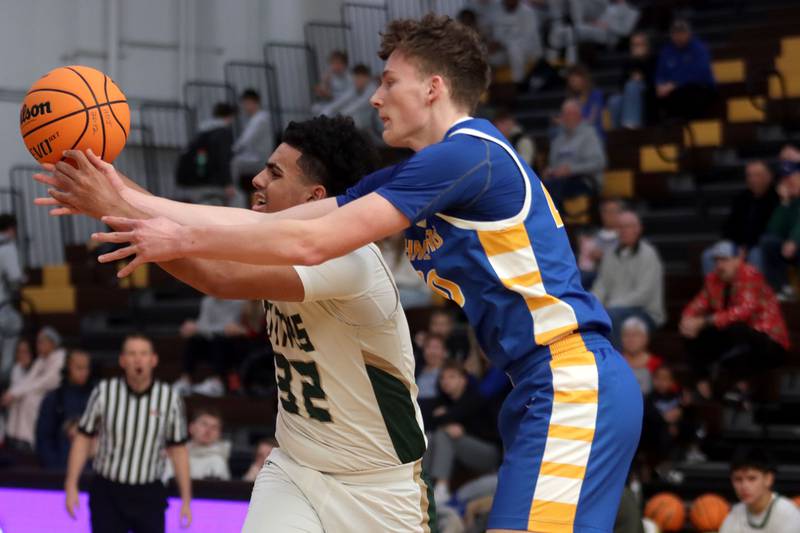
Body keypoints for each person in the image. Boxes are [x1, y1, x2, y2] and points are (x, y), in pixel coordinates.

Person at [40, 14, 642, 533]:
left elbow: (309, 237)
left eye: (388, 82)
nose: (376, 98)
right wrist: (118, 195)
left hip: (570, 378)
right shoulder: (419, 174)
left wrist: (173, 233)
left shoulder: (469, 153)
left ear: (433, 88)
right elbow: (269, 226)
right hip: (537, 386)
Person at [41, 116, 434, 532]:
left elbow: (218, 277)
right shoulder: (269, 241)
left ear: (314, 196)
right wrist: (106, 179)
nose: (258, 179)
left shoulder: (350, 259)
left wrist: (108, 205)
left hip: (376, 487)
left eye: (275, 173)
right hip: (297, 468)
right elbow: (178, 220)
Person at [65, 334, 192, 532]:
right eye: (132, 354)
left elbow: (179, 450)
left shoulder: (170, 399)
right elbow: (83, 438)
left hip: (149, 492)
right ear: (122, 361)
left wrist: (186, 500)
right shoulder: (104, 392)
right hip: (108, 490)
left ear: (153, 360)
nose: (138, 359)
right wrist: (71, 484)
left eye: (143, 353)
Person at [680, 240, 788, 400]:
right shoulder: (713, 279)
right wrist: (687, 321)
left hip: (769, 341)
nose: (719, 265)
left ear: (738, 259)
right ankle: (701, 381)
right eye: (716, 260)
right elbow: (697, 304)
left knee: (734, 328)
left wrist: (704, 321)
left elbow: (743, 312)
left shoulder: (750, 275)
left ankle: (740, 384)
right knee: (691, 333)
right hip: (736, 336)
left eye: (725, 260)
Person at [424, 360, 500, 504]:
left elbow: (453, 416)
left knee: (443, 435)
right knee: (431, 437)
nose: (446, 381)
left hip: (488, 453)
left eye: (452, 377)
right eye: (442, 378)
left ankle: (441, 488)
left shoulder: (474, 397)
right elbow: (429, 422)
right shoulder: (443, 401)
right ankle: (423, 484)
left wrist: (447, 422)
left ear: (463, 380)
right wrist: (445, 424)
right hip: (461, 452)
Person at [592, 209, 665, 346]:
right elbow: (601, 286)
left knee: (612, 318)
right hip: (613, 309)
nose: (623, 230)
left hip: (645, 312)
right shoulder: (610, 254)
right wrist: (592, 306)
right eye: (619, 227)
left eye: (627, 226)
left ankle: (618, 364)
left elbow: (644, 294)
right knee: (593, 318)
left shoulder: (649, 254)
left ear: (638, 229)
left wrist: (610, 306)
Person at [701, 161, 779, 275]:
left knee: (755, 254)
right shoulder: (741, 198)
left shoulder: (776, 198)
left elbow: (770, 228)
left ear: (769, 177)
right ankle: (713, 291)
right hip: (738, 245)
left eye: (757, 175)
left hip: (759, 245)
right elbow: (729, 226)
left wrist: (746, 247)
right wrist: (730, 245)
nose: (752, 179)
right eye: (749, 175)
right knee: (708, 255)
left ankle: (755, 291)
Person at [2, 327, 66, 450]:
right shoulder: (40, 361)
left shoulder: (60, 358)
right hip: (39, 392)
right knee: (19, 398)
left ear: (52, 343)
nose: (38, 345)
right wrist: (12, 393)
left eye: (41, 342)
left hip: (55, 397)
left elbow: (45, 382)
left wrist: (15, 393)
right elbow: (29, 380)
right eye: (37, 342)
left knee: (30, 399)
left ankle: (30, 441)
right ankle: (15, 438)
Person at [544, 99, 607, 217]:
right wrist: (551, 170)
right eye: (564, 114)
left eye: (570, 114)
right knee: (543, 186)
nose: (566, 118)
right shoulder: (558, 139)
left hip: (584, 181)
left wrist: (571, 170)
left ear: (579, 115)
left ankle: (558, 220)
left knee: (555, 187)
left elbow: (598, 163)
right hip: (560, 180)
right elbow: (553, 164)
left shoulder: (589, 135)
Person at [175, 294, 246, 396]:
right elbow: (205, 324)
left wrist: (198, 327)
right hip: (213, 340)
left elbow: (231, 328)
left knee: (220, 340)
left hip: (231, 343)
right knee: (193, 341)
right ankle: (185, 381)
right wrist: (194, 327)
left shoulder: (238, 302)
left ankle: (217, 382)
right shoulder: (207, 301)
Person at [35, 349, 92, 470]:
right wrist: (55, 467)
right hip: (60, 468)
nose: (84, 372)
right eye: (79, 367)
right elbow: (43, 438)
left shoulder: (97, 398)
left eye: (86, 368)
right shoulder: (53, 399)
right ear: (67, 368)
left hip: (91, 470)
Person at [720, 448, 800, 533]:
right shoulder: (735, 513)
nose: (744, 486)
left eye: (752, 478)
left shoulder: (788, 513)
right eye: (738, 479)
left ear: (768, 479)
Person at [176, 102, 237, 205]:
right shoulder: (223, 133)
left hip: (197, 180)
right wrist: (228, 183)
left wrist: (201, 172)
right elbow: (223, 159)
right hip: (213, 183)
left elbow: (201, 156)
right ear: (230, 116)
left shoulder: (204, 131)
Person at [655, 19, 716, 120]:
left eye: (681, 33)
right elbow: (660, 73)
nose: (679, 36)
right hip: (673, 91)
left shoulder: (699, 48)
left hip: (699, 88)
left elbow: (701, 73)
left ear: (688, 33)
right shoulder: (667, 51)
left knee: (690, 92)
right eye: (676, 33)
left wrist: (675, 84)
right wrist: (660, 85)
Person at [758, 158, 800, 300]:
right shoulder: (790, 202)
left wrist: (794, 241)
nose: (787, 182)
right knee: (768, 242)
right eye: (784, 179)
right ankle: (781, 289)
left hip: (796, 244)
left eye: (790, 177)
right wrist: (784, 203)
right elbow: (774, 229)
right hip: (790, 248)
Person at [163, 407, 231, 481]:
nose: (208, 430)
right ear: (191, 428)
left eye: (214, 427)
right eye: (204, 424)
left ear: (219, 434)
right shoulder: (173, 454)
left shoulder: (218, 460)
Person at [486, 0, 543, 85]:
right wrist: (490, 44)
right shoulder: (494, 10)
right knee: (486, 53)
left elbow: (528, 39)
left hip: (528, 52)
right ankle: (490, 86)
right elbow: (490, 32)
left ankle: (519, 83)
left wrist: (502, 43)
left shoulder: (528, 12)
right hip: (504, 52)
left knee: (514, 48)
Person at [607, 32, 657, 129]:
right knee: (614, 100)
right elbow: (621, 86)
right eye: (634, 45)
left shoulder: (653, 60)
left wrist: (641, 65)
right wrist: (635, 62)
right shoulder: (628, 62)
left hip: (648, 100)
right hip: (631, 101)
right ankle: (619, 133)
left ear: (647, 46)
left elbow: (654, 83)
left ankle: (631, 127)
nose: (637, 48)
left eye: (640, 44)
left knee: (632, 86)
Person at [231, 89, 273, 198]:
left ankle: (235, 193)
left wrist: (231, 150)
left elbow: (245, 141)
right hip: (254, 157)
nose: (244, 107)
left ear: (252, 102)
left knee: (234, 163)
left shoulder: (260, 119)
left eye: (245, 104)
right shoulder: (257, 118)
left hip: (259, 159)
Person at [0, 214, 24, 383]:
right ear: (12, 229)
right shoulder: (7, 246)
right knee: (7, 354)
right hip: (2, 308)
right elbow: (15, 278)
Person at [620, 316, 662, 395]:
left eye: (635, 335)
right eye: (626, 335)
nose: (630, 339)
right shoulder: (615, 362)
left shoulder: (657, 364)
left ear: (646, 338)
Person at [565, 65, 606, 140]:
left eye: (574, 80)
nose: (572, 84)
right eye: (570, 81)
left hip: (594, 136)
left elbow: (592, 119)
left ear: (583, 79)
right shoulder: (573, 100)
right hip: (577, 136)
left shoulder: (596, 95)